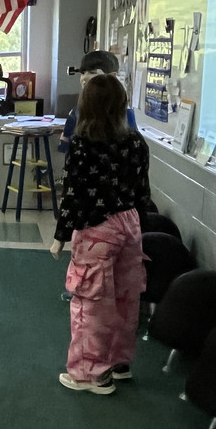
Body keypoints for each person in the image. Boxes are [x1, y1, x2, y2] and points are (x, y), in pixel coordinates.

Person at [50, 74, 152, 395]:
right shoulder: (137, 143)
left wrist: (60, 235)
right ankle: (119, 363)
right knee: (126, 296)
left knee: (90, 301)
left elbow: (74, 195)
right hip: (130, 223)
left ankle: (89, 374)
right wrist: (138, 230)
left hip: (97, 228)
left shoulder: (82, 145)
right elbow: (142, 193)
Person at [59, 50, 138, 154]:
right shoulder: (76, 112)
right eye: (82, 73)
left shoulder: (126, 113)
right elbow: (65, 145)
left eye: (92, 73)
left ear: (112, 76)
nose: (84, 78)